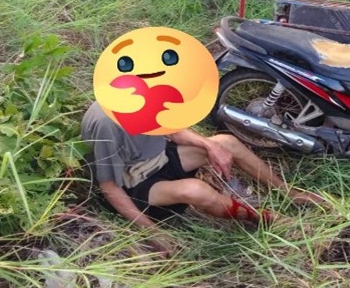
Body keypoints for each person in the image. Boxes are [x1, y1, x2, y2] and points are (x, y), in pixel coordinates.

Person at [82, 101, 323, 256]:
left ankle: (291, 194)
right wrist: (153, 233)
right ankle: (266, 219)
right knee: (196, 190)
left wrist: (210, 146)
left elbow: (173, 131)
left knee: (227, 142)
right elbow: (109, 187)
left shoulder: (148, 95)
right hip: (135, 183)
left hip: (160, 158)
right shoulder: (107, 124)